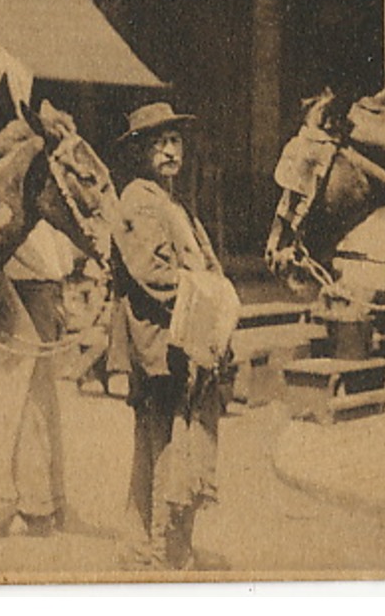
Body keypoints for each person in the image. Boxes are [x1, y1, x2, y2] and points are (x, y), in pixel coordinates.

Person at [111, 101, 233, 570]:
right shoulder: (138, 201)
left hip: (184, 333)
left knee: (167, 436)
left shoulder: (172, 200)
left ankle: (144, 540)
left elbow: (199, 260)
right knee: (165, 439)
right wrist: (207, 293)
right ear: (140, 152)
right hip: (159, 338)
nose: (168, 150)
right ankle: (162, 544)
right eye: (158, 143)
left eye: (174, 141)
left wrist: (219, 294)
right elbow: (153, 272)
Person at [0, 219, 82, 537]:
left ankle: (45, 500)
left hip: (47, 286)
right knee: (16, 395)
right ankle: (25, 504)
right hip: (15, 286)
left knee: (40, 397)